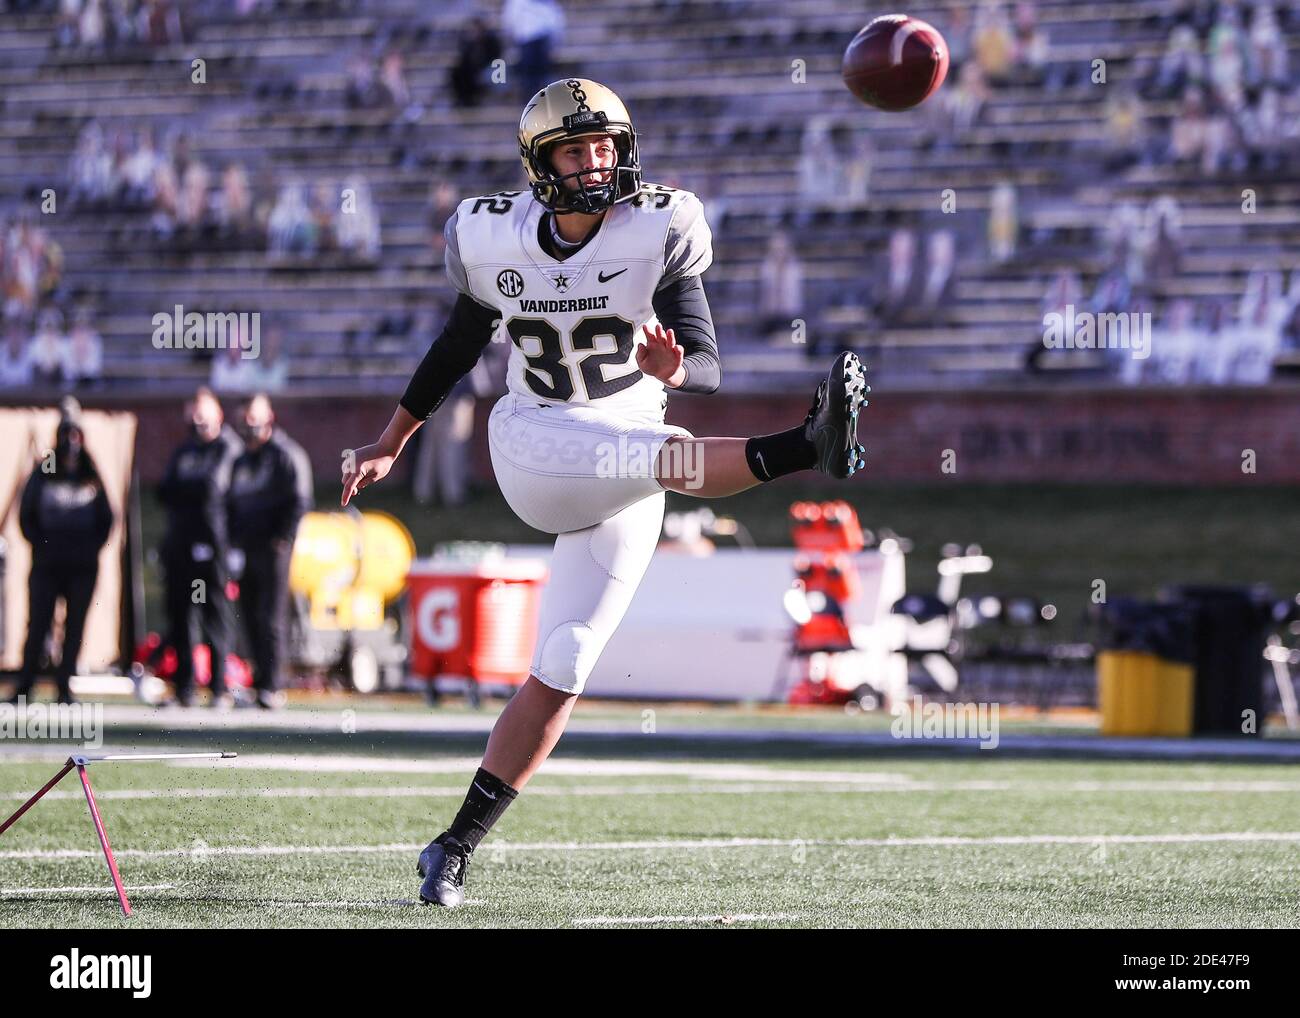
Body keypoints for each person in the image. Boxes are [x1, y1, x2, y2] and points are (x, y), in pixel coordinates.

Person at [338, 78, 869, 908]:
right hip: (536, 446)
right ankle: (807, 445)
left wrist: (675, 369)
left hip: (630, 459)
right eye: (576, 149)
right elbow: (454, 348)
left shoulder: (655, 229)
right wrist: (390, 441)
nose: (595, 163)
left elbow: (707, 362)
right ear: (539, 163)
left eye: (605, 147)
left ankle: (452, 846)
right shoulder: (494, 238)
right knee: (652, 454)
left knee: (565, 662)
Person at [7, 397, 113, 704]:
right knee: (38, 624)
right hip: (47, 565)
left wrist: (89, 549)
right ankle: (25, 686)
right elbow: (26, 513)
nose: (71, 441)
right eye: (66, 434)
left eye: (76, 434)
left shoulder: (90, 472)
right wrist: (42, 545)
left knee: (75, 626)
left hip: (81, 567)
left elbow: (107, 518)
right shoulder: (44, 471)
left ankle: (64, 687)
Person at [226, 394, 313, 710]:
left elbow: (300, 500)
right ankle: (260, 680)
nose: (248, 426)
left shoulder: (285, 455)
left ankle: (273, 685)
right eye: (245, 419)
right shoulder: (242, 459)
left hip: (274, 547)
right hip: (246, 546)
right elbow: (232, 504)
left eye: (254, 418)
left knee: (271, 616)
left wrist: (284, 538)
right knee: (249, 614)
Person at [155, 387, 240, 707]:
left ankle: (219, 688)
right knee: (182, 618)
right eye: (194, 415)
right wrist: (190, 490)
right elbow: (165, 490)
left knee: (214, 617)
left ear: (218, 414)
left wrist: (187, 489)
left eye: (204, 414)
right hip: (181, 546)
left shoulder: (228, 447)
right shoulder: (185, 449)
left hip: (213, 547)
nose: (199, 422)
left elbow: (213, 487)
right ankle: (185, 688)